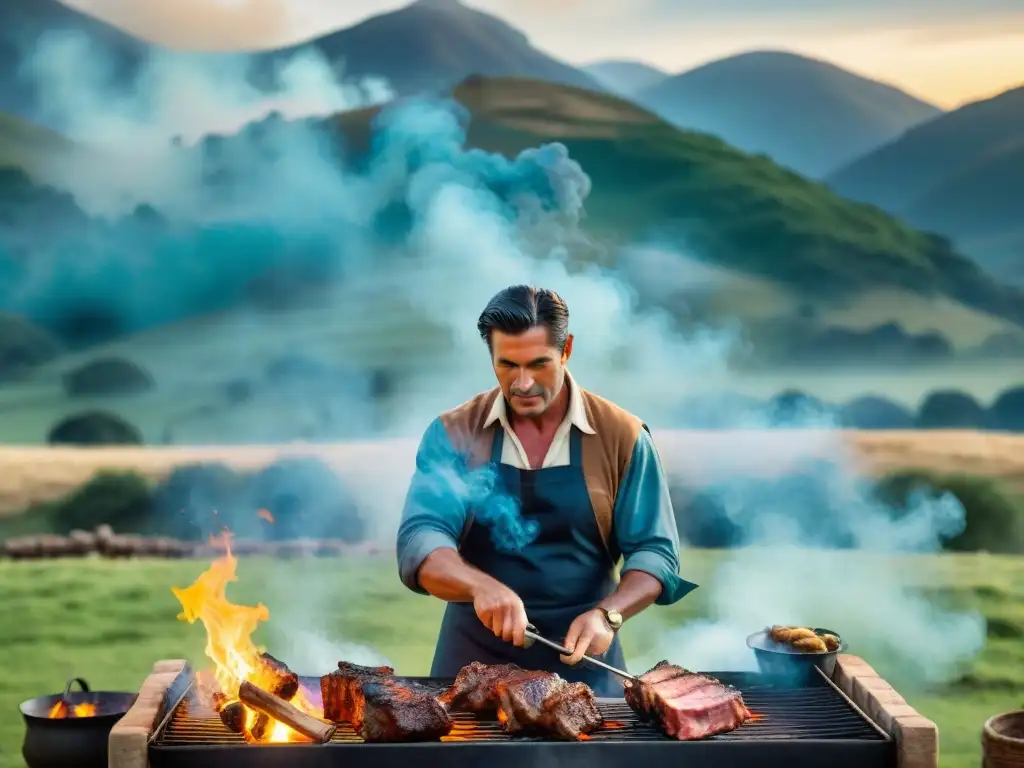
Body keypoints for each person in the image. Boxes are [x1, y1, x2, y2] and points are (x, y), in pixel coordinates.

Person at [395, 285, 696, 696]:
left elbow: (656, 552)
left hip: (587, 669)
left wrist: (608, 615)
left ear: (566, 348)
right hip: (470, 669)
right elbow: (421, 538)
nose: (522, 383)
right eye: (507, 366)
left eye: (539, 364)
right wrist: (480, 587)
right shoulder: (453, 434)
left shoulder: (622, 436)